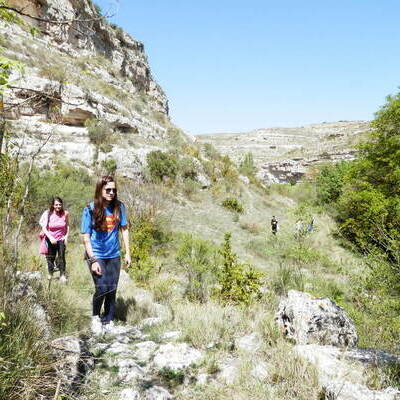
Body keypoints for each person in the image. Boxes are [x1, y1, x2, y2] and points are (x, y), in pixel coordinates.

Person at [81, 175, 131, 335]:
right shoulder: (90, 209)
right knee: (102, 287)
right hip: (96, 254)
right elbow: (86, 237)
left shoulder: (119, 207)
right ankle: (95, 317)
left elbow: (124, 229)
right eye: (108, 189)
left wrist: (128, 253)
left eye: (114, 190)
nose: (111, 192)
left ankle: (108, 319)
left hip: (114, 254)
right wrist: (93, 259)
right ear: (100, 189)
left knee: (112, 288)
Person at [39, 197, 69, 282]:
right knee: (50, 257)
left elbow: (67, 226)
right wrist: (51, 237)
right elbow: (44, 228)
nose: (58, 206)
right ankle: (50, 274)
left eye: (60, 204)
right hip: (50, 238)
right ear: (53, 205)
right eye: (56, 204)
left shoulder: (65, 213)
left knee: (61, 257)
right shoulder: (48, 213)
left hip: (61, 239)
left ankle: (62, 275)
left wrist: (66, 236)